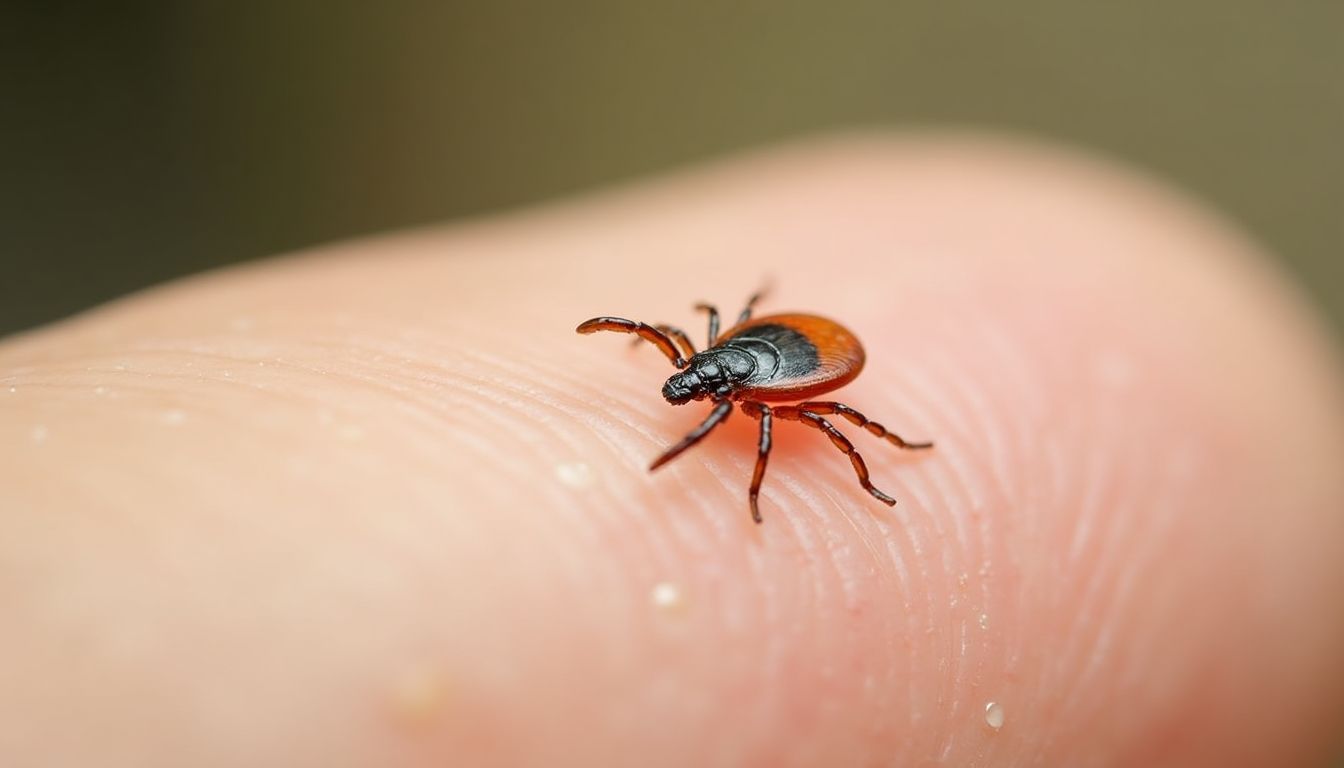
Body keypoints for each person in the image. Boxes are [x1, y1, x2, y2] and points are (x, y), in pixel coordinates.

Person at [2, 135, 1341, 765]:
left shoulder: (774, 405)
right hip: (797, 333)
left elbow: (767, 404)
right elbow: (688, 340)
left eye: (701, 381)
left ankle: (879, 459)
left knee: (830, 443)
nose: (691, 384)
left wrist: (838, 454)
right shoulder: (716, 350)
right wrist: (663, 343)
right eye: (696, 374)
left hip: (822, 354)